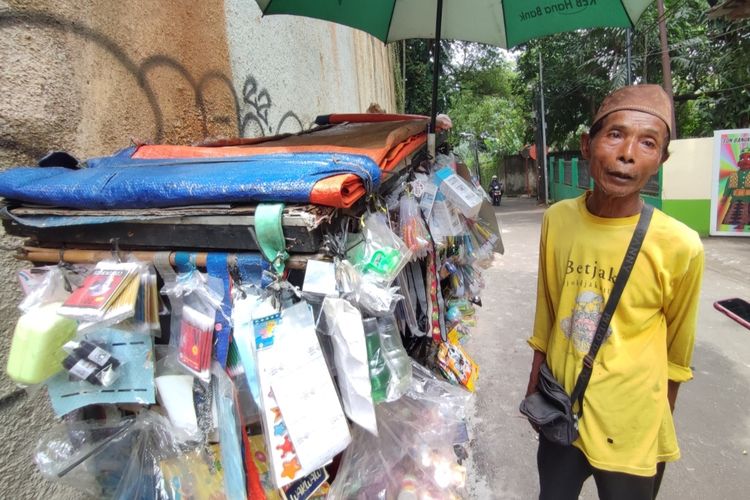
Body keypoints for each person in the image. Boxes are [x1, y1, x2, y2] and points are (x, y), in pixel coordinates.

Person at [524, 85, 704, 500]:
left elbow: (678, 354)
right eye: (615, 135)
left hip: (632, 425)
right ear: (588, 145)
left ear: (661, 159)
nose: (628, 154)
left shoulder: (680, 245)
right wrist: (534, 387)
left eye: (647, 143)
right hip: (562, 408)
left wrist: (654, 421)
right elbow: (548, 310)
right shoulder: (558, 220)